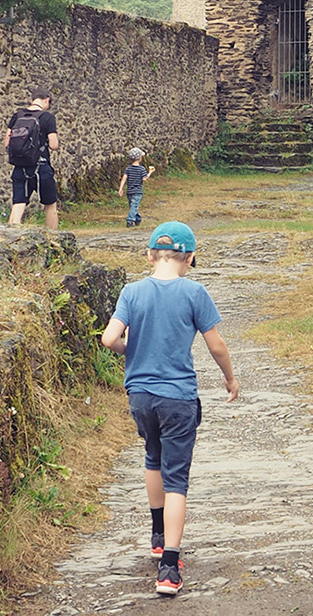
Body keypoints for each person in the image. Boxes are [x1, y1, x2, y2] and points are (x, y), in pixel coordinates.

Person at [100, 221, 240, 597]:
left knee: (152, 457)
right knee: (176, 477)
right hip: (177, 397)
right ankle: (169, 567)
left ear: (149, 255)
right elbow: (217, 346)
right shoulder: (195, 293)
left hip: (140, 396)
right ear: (189, 258)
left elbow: (109, 337)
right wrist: (229, 379)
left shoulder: (132, 292)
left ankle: (158, 536)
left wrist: (136, 350)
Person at [7, 89, 60, 230]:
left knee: (18, 203)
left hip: (20, 166)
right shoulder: (47, 117)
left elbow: (7, 142)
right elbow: (54, 145)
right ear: (47, 100)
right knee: (50, 205)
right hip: (41, 167)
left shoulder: (17, 116)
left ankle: (10, 236)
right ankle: (52, 237)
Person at [117, 147, 155, 228]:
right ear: (139, 158)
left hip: (129, 191)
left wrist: (121, 188)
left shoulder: (128, 169)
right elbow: (144, 179)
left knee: (133, 206)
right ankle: (130, 220)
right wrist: (150, 172)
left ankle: (137, 219)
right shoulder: (142, 169)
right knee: (134, 206)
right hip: (138, 191)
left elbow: (124, 179)